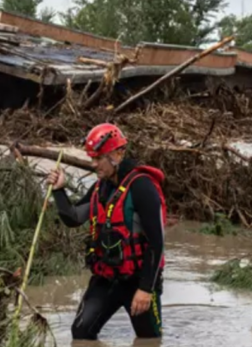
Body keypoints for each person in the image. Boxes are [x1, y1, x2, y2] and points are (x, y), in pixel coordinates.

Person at [46, 123, 167, 341]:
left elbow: (157, 243)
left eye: (98, 158)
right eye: (92, 158)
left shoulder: (142, 187)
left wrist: (146, 290)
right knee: (81, 333)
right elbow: (73, 218)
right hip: (106, 278)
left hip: (139, 280)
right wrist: (59, 191)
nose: (94, 165)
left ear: (118, 154)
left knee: (149, 340)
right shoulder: (99, 188)